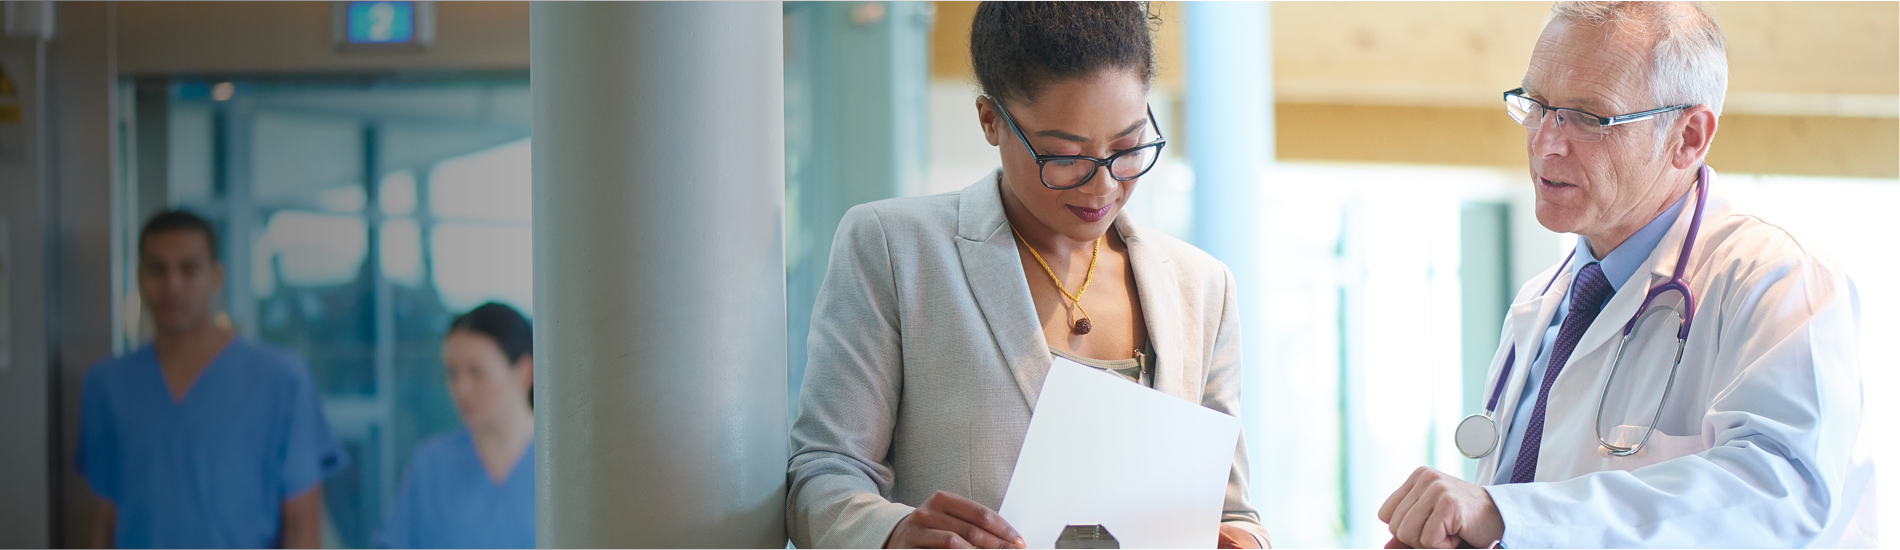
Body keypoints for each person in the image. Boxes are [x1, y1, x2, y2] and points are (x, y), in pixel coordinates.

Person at [1376, 2, 1875, 548]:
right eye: (1538, 105)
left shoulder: (1778, 279)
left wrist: (1506, 514)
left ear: (1688, 137)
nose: (1546, 143)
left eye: (1590, 117)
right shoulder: (1540, 304)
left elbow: (1781, 494)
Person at [786, 3, 1269, 548]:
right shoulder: (895, 248)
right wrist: (893, 533)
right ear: (990, 120)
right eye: (1065, 156)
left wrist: (1244, 542)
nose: (1103, 186)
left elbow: (1235, 512)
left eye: (1129, 147)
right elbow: (821, 474)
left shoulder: (1201, 287)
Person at [76, 210, 346, 548]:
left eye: (189, 269)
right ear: (139, 277)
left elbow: (302, 524)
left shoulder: (282, 380)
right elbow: (106, 519)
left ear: (216, 277)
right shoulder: (106, 384)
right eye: (157, 269)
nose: (172, 286)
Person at [374, 303, 536, 548]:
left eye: (477, 373)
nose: (461, 390)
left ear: (524, 372)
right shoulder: (431, 465)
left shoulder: (566, 466)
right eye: (452, 374)